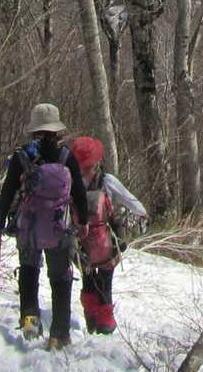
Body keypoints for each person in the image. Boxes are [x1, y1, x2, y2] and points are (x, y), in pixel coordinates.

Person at [0, 103, 88, 348]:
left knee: (28, 274)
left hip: (28, 229)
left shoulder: (22, 156)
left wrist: (0, 222)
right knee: (60, 279)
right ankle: (60, 334)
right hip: (59, 229)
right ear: (57, 130)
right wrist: (84, 221)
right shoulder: (66, 156)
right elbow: (79, 192)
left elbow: (8, 191)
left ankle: (30, 327)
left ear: (34, 129)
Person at [68, 135, 148, 334]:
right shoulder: (107, 181)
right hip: (105, 244)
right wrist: (143, 213)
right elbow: (132, 203)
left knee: (88, 280)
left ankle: (91, 319)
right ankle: (105, 324)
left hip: (80, 244)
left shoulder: (69, 180)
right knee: (105, 283)